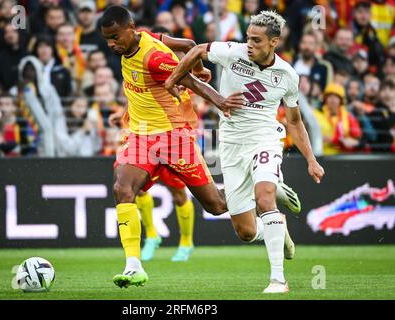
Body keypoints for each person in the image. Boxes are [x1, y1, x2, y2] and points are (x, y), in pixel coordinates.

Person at [165, 11, 325, 293]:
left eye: (257, 40)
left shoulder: (287, 75)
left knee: (264, 200)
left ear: (274, 42)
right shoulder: (232, 53)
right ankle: (279, 230)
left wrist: (311, 160)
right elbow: (198, 49)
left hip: (265, 139)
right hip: (231, 145)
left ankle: (278, 279)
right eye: (248, 38)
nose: (249, 44)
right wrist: (175, 78)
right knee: (247, 232)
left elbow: (294, 121)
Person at [100, 5, 236, 289]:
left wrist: (220, 101)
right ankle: (134, 266)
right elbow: (189, 44)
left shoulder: (155, 57)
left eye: (115, 37)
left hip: (174, 136)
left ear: (130, 28)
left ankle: (262, 191)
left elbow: (192, 83)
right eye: (107, 39)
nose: (112, 44)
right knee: (122, 189)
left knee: (216, 206)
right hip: (141, 135)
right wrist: (198, 62)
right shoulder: (139, 41)